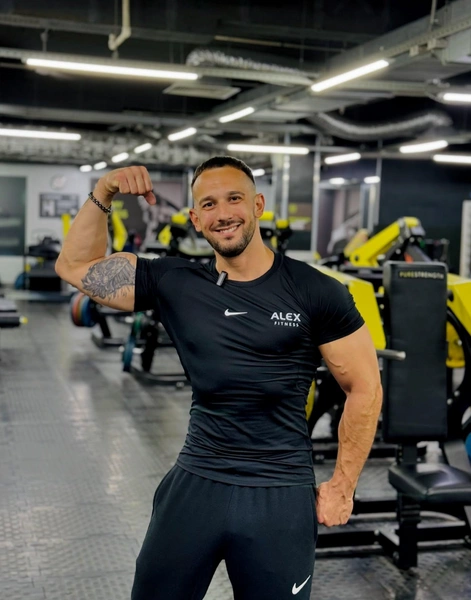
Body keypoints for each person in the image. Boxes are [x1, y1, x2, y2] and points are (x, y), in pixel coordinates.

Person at [56, 156, 382, 600]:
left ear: (258, 205)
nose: (223, 213)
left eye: (234, 199)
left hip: (279, 492)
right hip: (197, 480)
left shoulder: (316, 291)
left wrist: (343, 486)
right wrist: (104, 191)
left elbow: (365, 387)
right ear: (195, 218)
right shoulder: (175, 281)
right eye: (208, 204)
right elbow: (76, 266)